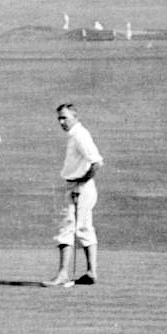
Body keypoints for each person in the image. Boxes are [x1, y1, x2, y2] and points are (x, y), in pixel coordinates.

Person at [43, 103, 104, 288]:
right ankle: (91, 272)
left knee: (67, 228)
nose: (62, 122)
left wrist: (81, 182)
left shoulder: (79, 136)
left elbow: (97, 162)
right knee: (84, 228)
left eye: (65, 118)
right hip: (79, 187)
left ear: (75, 117)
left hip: (79, 188)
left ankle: (62, 274)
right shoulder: (75, 135)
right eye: (59, 118)